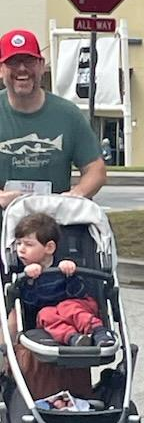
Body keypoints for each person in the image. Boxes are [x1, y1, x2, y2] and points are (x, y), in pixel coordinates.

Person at [0, 28, 106, 210]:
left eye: (29, 61)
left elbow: (95, 169)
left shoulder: (68, 115)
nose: (22, 68)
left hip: (55, 228)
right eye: (13, 62)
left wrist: (76, 196)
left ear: (41, 65)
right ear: (1, 70)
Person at [12, 212, 115, 347]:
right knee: (45, 314)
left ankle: (99, 332)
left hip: (77, 306)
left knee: (67, 307)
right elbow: (30, 306)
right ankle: (73, 338)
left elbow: (80, 293)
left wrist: (70, 275)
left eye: (28, 244)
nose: (21, 250)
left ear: (49, 248)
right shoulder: (22, 274)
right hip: (51, 313)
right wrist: (29, 281)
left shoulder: (64, 264)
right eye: (18, 244)